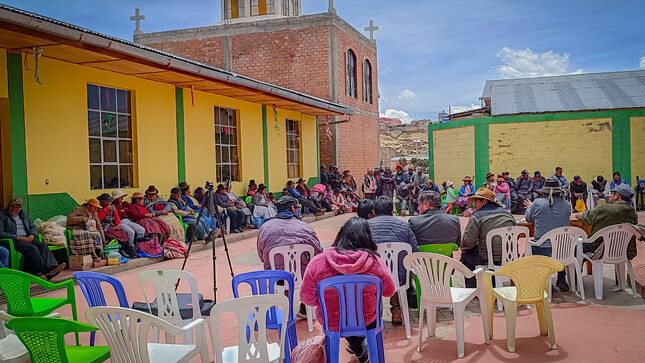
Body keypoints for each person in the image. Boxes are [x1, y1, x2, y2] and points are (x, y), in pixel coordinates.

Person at [300, 217, 395, 363]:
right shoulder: (375, 263)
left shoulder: (318, 262)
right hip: (367, 321)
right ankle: (359, 345)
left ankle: (357, 346)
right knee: (377, 305)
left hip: (332, 322)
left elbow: (307, 299)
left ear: (341, 234)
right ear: (368, 238)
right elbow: (389, 291)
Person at [257, 196, 323, 317]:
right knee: (313, 268)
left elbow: (261, 255)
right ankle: (305, 306)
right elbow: (317, 253)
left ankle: (284, 301)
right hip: (301, 276)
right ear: (293, 209)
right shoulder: (304, 226)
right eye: (296, 208)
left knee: (278, 266)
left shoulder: (265, 227)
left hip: (276, 276)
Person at [365, 197, 419, 324]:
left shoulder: (366, 226)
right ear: (392, 210)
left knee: (378, 271)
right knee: (394, 273)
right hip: (401, 279)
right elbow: (415, 251)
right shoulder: (404, 226)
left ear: (374, 211)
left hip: (373, 278)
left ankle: (374, 313)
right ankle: (396, 312)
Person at [459, 188, 515, 288]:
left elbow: (468, 243)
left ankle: (472, 291)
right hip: (510, 256)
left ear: (484, 201)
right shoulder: (508, 214)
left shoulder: (477, 216)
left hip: (486, 257)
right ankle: (494, 284)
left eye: (476, 201)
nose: (474, 205)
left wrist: (464, 247)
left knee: (466, 255)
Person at [524, 178, 571, 291]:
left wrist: (530, 206)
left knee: (527, 250)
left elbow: (528, 217)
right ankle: (561, 277)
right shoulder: (567, 205)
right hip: (563, 251)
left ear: (543, 192)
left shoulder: (538, 203)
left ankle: (539, 280)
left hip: (543, 250)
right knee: (558, 245)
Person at [0, 198, 65, 278]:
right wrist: (17, 237)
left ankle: (53, 267)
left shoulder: (24, 215)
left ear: (20, 208)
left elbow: (33, 227)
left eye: (17, 207)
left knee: (42, 246)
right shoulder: (2, 216)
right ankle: (45, 271)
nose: (14, 209)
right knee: (32, 248)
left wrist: (32, 235)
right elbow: (1, 233)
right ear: (8, 206)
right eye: (12, 206)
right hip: (12, 241)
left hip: (26, 238)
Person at [576, 184, 639, 257]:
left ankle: (575, 268)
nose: (609, 196)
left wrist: (582, 215)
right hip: (623, 250)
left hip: (600, 250)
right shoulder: (632, 212)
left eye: (611, 194)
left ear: (617, 195)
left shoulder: (604, 209)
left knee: (574, 248)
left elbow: (588, 219)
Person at [96, 193, 133, 257]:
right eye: (107, 202)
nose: (109, 203)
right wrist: (105, 210)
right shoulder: (98, 208)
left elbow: (117, 217)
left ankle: (123, 249)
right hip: (104, 225)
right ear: (103, 202)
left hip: (112, 224)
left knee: (122, 232)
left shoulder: (113, 207)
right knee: (115, 233)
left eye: (110, 201)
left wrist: (118, 225)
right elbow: (98, 219)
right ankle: (119, 250)